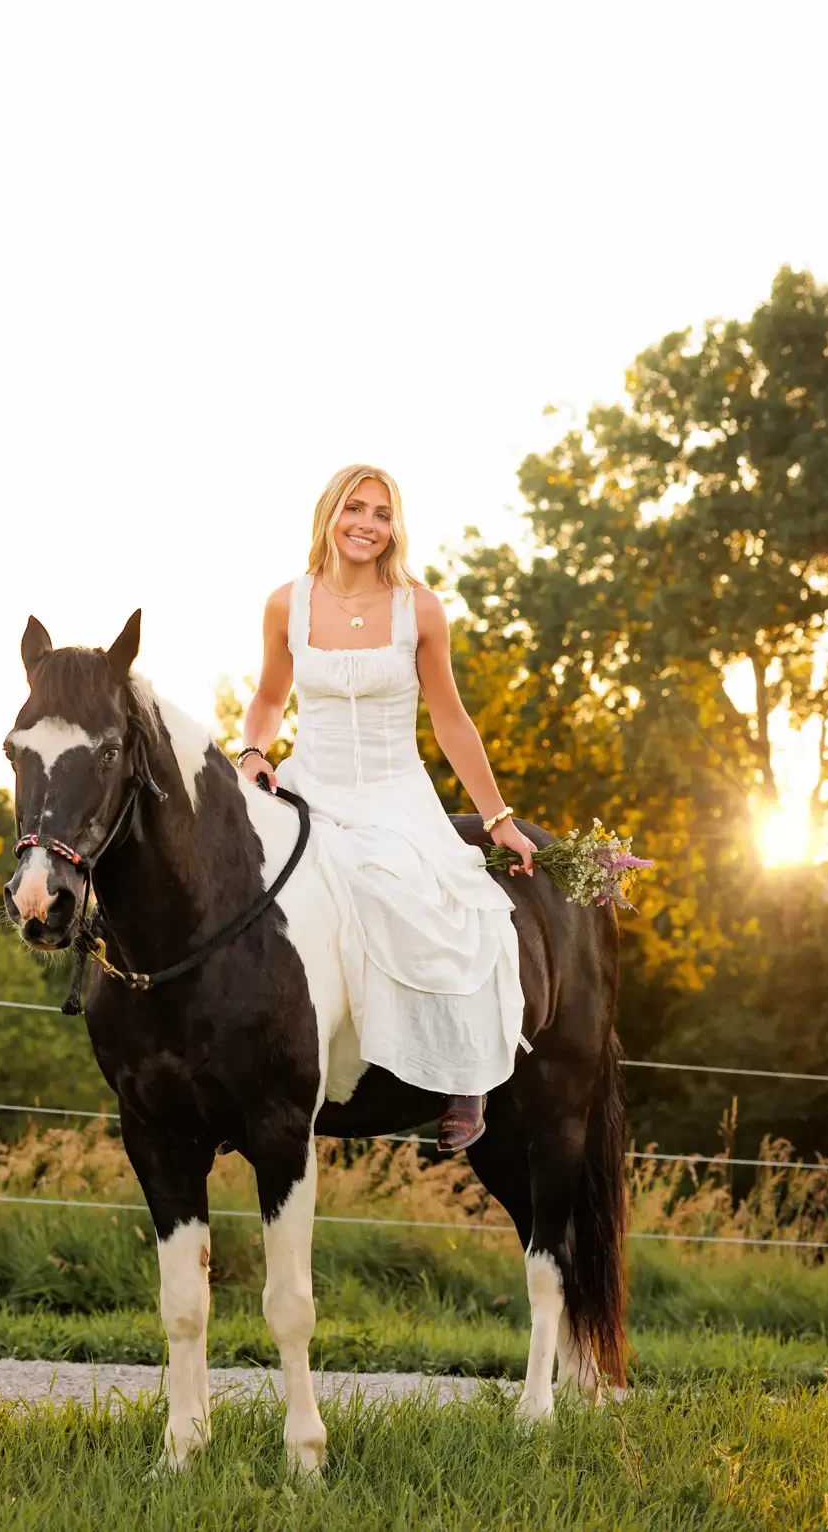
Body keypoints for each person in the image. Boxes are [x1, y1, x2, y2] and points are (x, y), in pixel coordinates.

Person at [238, 464, 533, 1153]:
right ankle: (241, 1067)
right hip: (310, 782)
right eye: (355, 509)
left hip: (393, 792)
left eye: (381, 513)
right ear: (330, 515)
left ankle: (464, 1074)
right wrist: (252, 751)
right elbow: (269, 697)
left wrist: (498, 819)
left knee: (414, 894)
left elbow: (451, 720)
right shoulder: (287, 603)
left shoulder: (419, 609)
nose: (367, 525)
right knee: (244, 890)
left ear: (393, 528)